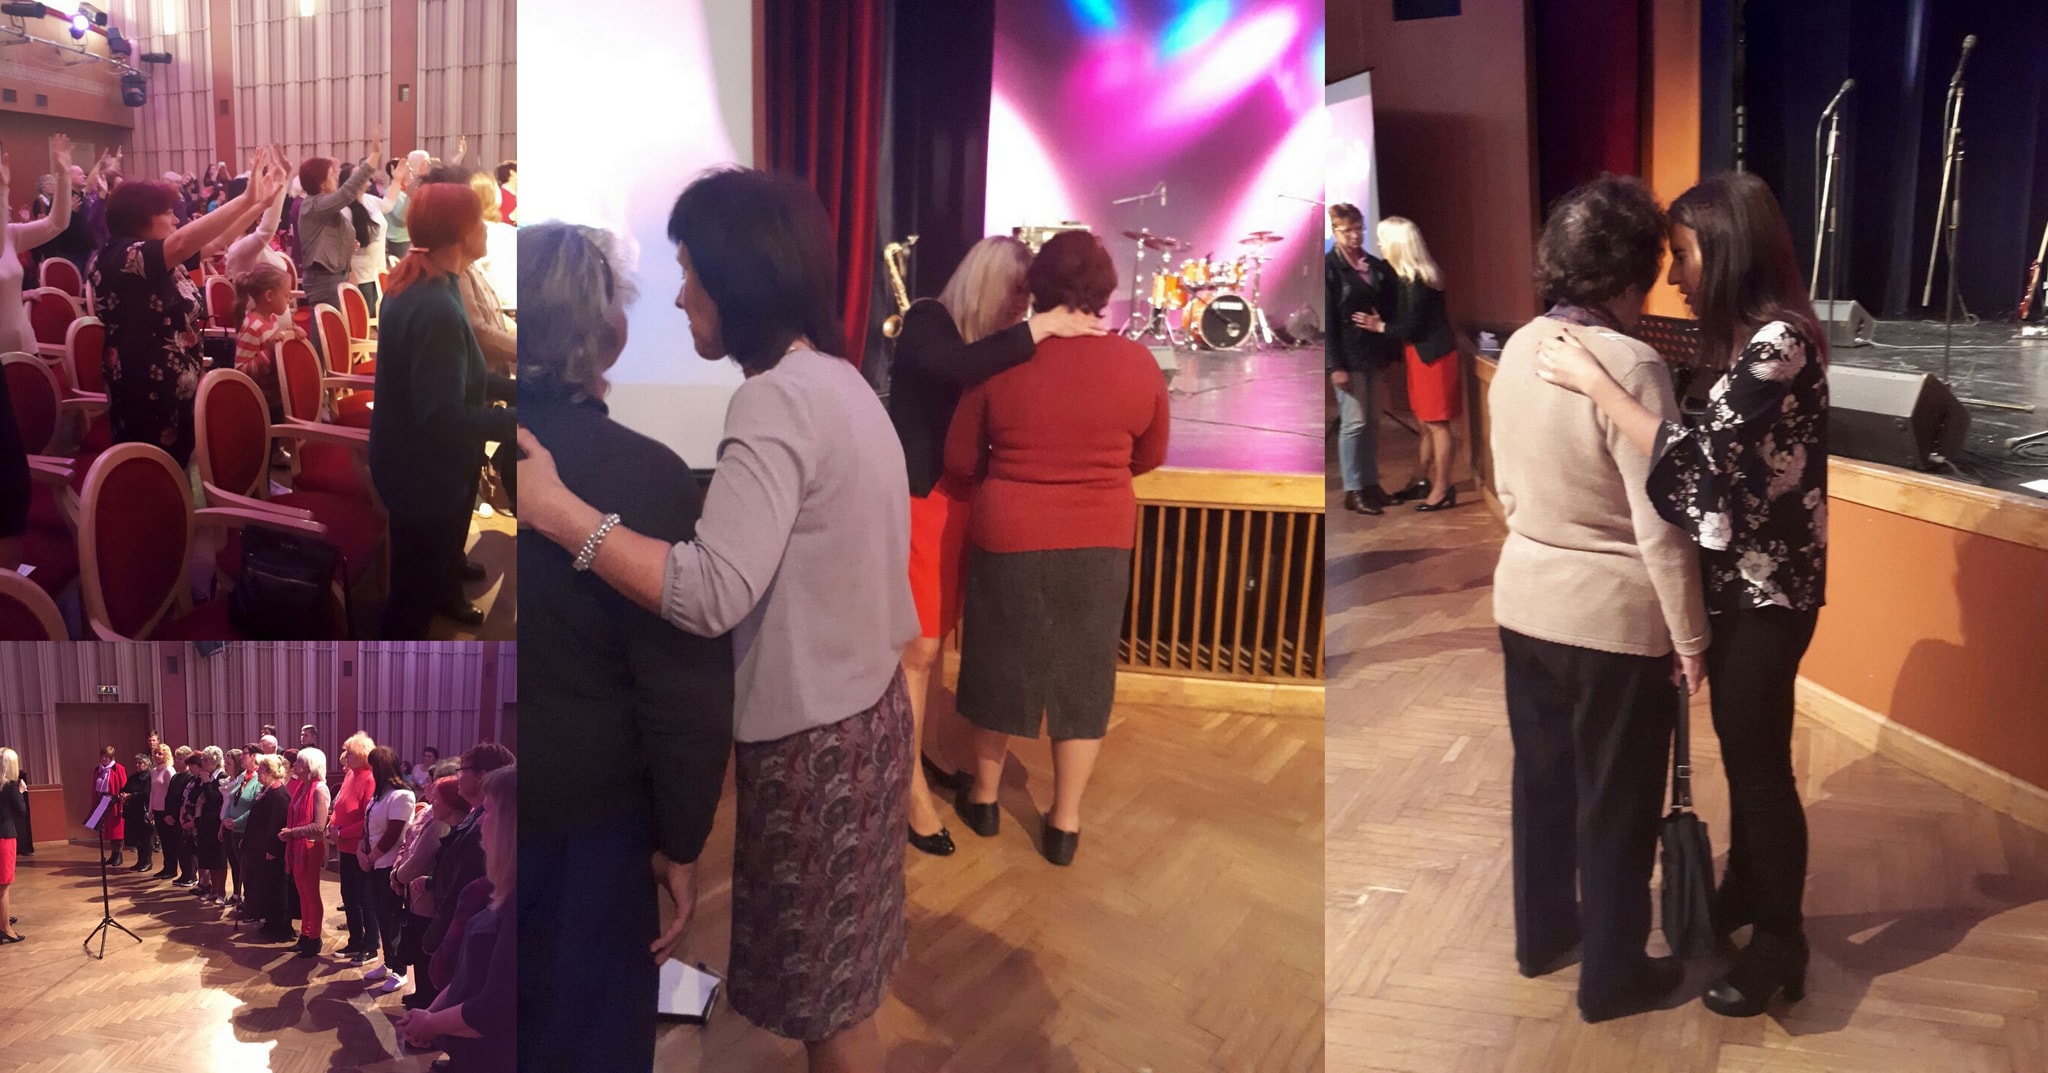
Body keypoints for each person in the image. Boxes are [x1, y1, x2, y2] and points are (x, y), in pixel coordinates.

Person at [516, 167, 917, 1071]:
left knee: (830, 1006)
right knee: (844, 996)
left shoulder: (774, 400)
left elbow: (709, 592)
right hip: (866, 718)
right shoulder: (839, 382)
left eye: (690, 271)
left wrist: (557, 511)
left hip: (816, 747)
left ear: (737, 280)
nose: (679, 295)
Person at [1533, 170, 1829, 1019]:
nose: (1674, 275)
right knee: (1745, 755)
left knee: (1760, 768)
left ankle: (1782, 942)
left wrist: (1599, 385)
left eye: (1685, 255)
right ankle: (1747, 887)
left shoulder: (1781, 340)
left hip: (1769, 596)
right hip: (1733, 587)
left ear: (1729, 249)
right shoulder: (1738, 340)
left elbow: (1697, 463)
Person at [1489, 174, 1711, 1022]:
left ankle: (1543, 935)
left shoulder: (1519, 345)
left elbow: (1509, 483)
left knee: (1542, 783)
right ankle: (1613, 976)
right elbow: (1661, 525)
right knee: (1616, 801)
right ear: (1633, 271)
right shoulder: (1633, 364)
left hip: (1524, 599)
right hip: (1611, 619)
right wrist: (1690, 637)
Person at [516, 222, 736, 1072]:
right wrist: (682, 842)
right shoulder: (650, 474)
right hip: (593, 827)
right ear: (608, 332)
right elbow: (684, 691)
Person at [943, 230, 1170, 867]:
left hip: (1009, 532)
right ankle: (1064, 824)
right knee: (1084, 677)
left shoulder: (1001, 360)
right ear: (1106, 291)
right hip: (1101, 536)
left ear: (1035, 287)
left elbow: (959, 458)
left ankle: (985, 799)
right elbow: (1151, 455)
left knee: (997, 664)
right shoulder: (1139, 363)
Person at [885, 236, 1105, 858]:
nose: (1020, 307)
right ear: (987, 282)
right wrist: (1040, 328)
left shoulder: (990, 342)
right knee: (919, 649)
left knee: (935, 645)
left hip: (960, 500)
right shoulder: (928, 319)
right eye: (1015, 293)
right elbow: (953, 370)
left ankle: (926, 754)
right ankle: (909, 794)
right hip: (919, 500)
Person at [368, 178, 516, 636]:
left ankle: (444, 579)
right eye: (479, 222)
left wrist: (521, 392)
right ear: (459, 234)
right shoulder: (435, 305)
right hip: (422, 474)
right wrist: (516, 421)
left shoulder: (431, 280)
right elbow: (443, 417)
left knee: (427, 566)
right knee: (409, 601)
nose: (487, 228)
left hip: (418, 460)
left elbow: (463, 375)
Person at [91, 150, 287, 466]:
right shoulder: (120, 256)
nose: (176, 219)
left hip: (179, 386)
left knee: (180, 465)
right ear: (139, 218)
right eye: (168, 213)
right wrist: (245, 198)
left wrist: (259, 205)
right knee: (155, 471)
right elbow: (183, 241)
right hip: (146, 391)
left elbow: (218, 241)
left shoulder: (159, 258)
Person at [398, 765, 514, 1071]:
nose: (480, 821)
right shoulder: (500, 888)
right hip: (468, 1052)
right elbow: (468, 975)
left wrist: (432, 1023)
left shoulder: (520, 905)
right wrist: (431, 1015)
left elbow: (493, 1008)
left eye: (488, 811)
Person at [1359, 216, 1460, 511]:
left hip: (1434, 358)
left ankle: (1442, 488)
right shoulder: (1408, 277)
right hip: (1420, 355)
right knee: (1425, 423)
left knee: (1438, 424)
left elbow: (1411, 327)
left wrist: (1379, 327)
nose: (1379, 245)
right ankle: (1422, 480)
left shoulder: (1419, 281)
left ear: (1397, 244)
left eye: (1382, 240)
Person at [1325, 201, 1399, 515]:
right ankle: (1353, 489)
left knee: (1372, 422)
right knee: (1354, 423)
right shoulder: (1330, 268)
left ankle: (1370, 484)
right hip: (1348, 356)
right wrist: (1335, 366)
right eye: (1347, 230)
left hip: (1372, 353)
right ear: (1334, 231)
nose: (1354, 235)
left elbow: (1390, 304)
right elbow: (1329, 322)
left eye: (1358, 229)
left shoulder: (1374, 265)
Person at [397, 774, 468, 1010]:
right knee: (422, 950)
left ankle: (430, 1005)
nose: (431, 803)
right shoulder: (452, 827)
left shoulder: (459, 832)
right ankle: (423, 997)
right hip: (430, 898)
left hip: (440, 908)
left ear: (451, 803)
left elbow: (457, 879)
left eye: (437, 799)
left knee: (432, 954)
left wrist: (425, 881)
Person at [0, 135, 74, 355]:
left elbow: (57, 223)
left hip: (24, 345)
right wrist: (2, 192)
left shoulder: (10, 234)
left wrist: (63, 176)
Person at [296, 125, 383, 309]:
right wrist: (374, 156)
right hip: (324, 279)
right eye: (331, 175)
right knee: (326, 326)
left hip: (332, 276)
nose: (335, 178)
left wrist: (347, 243)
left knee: (334, 325)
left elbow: (328, 237)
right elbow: (347, 192)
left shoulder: (322, 205)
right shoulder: (315, 205)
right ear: (322, 183)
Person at [359, 745, 416, 993]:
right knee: (381, 916)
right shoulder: (379, 795)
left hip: (389, 865)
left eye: (373, 767)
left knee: (393, 919)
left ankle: (400, 970)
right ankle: (389, 961)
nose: (370, 772)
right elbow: (368, 827)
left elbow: (394, 833)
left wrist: (371, 857)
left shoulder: (401, 795)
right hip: (375, 864)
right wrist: (361, 851)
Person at [232, 262, 305, 422]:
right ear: (269, 296)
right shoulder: (252, 327)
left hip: (276, 395)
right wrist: (269, 352)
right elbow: (240, 370)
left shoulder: (271, 319)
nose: (289, 299)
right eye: (286, 294)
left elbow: (278, 349)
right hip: (262, 402)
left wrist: (295, 336)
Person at [330, 732, 378, 961]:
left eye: (349, 753)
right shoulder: (350, 774)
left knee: (365, 899)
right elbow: (340, 806)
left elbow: (368, 817)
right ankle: (355, 940)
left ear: (361, 755)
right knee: (348, 896)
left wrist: (342, 832)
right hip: (344, 847)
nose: (345, 756)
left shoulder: (370, 778)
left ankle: (371, 945)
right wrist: (332, 825)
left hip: (359, 848)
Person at [280, 746, 332, 957]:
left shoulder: (319, 789)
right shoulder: (302, 786)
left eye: (300, 762)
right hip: (299, 846)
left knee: (311, 895)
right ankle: (305, 935)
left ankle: (314, 937)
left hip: (310, 847)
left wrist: (292, 832)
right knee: (303, 895)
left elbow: (319, 826)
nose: (296, 765)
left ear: (311, 765)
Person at [244, 753, 295, 942]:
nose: (257, 772)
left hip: (273, 852)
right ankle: (271, 922)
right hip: (262, 850)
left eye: (261, 769)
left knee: (277, 889)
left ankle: (281, 928)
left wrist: (273, 850)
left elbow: (278, 824)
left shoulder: (279, 795)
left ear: (270, 771)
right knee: (267, 888)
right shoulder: (267, 791)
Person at [222, 748, 259, 912]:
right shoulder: (243, 776)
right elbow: (232, 800)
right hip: (234, 830)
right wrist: (226, 819)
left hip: (246, 831)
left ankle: (252, 905)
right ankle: (244, 900)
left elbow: (255, 808)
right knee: (239, 867)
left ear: (254, 756)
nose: (242, 757)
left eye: (245, 754)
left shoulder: (258, 778)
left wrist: (236, 822)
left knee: (249, 870)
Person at [191, 748, 227, 906]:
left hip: (216, 823)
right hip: (205, 822)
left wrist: (206, 783)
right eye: (203, 759)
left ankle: (222, 892)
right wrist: (202, 782)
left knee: (219, 859)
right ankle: (213, 890)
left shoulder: (222, 777)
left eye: (205, 760)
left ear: (214, 761)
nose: (202, 763)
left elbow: (214, 799)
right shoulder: (206, 776)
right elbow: (193, 797)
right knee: (210, 858)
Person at [0, 747, 23, 943]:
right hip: (4, 837)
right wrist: (21, 792)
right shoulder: (11, 786)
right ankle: (5, 928)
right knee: (3, 886)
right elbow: (21, 811)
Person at [91, 745, 128, 867]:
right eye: (102, 756)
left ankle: (119, 854)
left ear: (111, 757)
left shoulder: (119, 768)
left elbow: (124, 787)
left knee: (117, 831)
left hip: (115, 803)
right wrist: (94, 806)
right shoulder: (98, 770)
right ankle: (113, 854)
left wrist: (122, 805)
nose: (104, 759)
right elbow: (94, 789)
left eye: (106, 757)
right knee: (109, 831)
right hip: (102, 803)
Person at [148, 743, 177, 878]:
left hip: (166, 810)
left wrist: (170, 812)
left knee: (170, 841)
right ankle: (167, 867)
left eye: (160, 753)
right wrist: (150, 811)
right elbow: (153, 792)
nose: (157, 755)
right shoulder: (154, 771)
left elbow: (172, 793)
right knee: (164, 841)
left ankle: (172, 869)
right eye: (155, 753)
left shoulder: (169, 770)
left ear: (166, 755)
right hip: (157, 810)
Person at [123, 752, 155, 873]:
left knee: (146, 838)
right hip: (133, 811)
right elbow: (125, 789)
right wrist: (123, 794)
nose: (137, 765)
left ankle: (147, 862)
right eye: (136, 763)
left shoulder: (149, 777)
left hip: (143, 810)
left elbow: (146, 793)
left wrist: (130, 796)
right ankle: (140, 861)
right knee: (138, 838)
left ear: (146, 764)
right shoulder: (133, 777)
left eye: (140, 763)